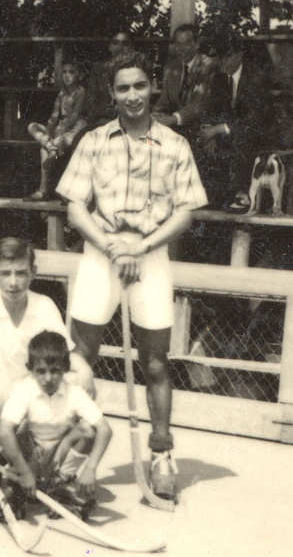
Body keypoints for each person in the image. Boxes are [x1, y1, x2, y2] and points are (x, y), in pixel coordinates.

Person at [57, 50, 207, 500]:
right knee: (80, 355)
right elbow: (75, 207)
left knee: (156, 361)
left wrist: (139, 247)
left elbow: (186, 213)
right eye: (123, 88)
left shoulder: (175, 144)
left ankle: (161, 454)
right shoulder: (93, 140)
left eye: (140, 85)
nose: (133, 95)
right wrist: (111, 246)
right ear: (111, 93)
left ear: (152, 87)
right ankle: (75, 452)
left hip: (151, 255)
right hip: (99, 254)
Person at [0, 237, 90, 460]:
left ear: (33, 273)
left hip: (31, 389)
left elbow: (65, 354)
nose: (13, 282)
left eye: (20, 273)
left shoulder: (44, 305)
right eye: (5, 273)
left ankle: (54, 463)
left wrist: (86, 371)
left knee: (80, 383)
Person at [0, 332, 112, 520]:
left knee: (88, 430)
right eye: (41, 371)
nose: (48, 378)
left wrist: (90, 468)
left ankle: (60, 483)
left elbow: (105, 430)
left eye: (55, 371)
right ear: (30, 369)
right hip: (31, 455)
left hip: (59, 456)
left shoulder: (75, 393)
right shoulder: (24, 390)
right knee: (15, 430)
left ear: (66, 368)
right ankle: (17, 484)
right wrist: (25, 472)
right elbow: (3, 432)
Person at [200, 33, 280, 212]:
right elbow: (212, 110)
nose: (222, 62)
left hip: (260, 132)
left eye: (227, 56)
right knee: (202, 141)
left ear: (239, 54)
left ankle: (241, 194)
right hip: (233, 131)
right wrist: (209, 130)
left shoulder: (256, 77)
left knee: (242, 137)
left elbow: (255, 118)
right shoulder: (219, 78)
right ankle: (211, 195)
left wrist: (219, 129)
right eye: (220, 57)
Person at [25, 61, 87, 199]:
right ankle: (51, 147)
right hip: (61, 126)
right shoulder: (61, 94)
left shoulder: (80, 92)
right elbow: (54, 116)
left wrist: (60, 132)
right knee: (32, 126)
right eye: (64, 72)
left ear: (78, 75)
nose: (67, 75)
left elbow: (75, 115)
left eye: (71, 72)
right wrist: (48, 133)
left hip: (75, 126)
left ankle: (43, 190)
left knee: (46, 148)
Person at [152, 24, 219, 138]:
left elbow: (199, 105)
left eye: (186, 43)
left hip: (202, 130)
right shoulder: (171, 67)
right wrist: (154, 115)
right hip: (176, 129)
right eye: (178, 44)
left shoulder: (208, 66)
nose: (181, 48)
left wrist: (174, 119)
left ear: (196, 44)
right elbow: (164, 100)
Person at [84, 32, 134, 130]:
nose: (120, 47)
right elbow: (91, 101)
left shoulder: (137, 71)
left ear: (131, 47)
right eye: (115, 43)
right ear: (109, 47)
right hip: (103, 120)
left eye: (125, 43)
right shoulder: (99, 69)